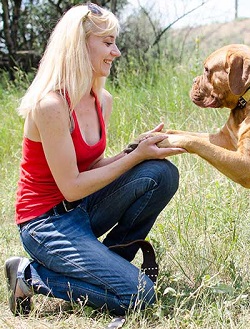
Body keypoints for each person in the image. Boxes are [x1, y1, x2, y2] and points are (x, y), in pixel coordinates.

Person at [4, 2, 184, 316]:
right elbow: (72, 187)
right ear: (78, 46)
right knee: (140, 295)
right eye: (107, 42)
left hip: (83, 208)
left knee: (161, 172)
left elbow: (92, 168)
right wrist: (134, 157)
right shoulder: (50, 105)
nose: (116, 52)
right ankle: (26, 275)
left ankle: (106, 261)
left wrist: (134, 151)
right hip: (46, 223)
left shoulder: (102, 99)